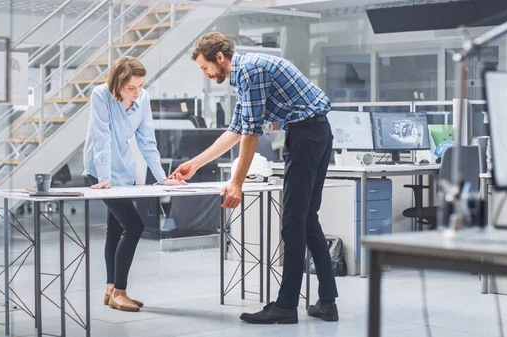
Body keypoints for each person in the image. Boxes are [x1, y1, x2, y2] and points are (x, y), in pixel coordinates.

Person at [170, 32, 339, 324]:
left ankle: (286, 307)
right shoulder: (247, 73)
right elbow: (236, 129)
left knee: (294, 224)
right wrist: (195, 164)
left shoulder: (250, 72)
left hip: (306, 137)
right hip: (317, 133)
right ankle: (327, 302)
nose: (206, 74)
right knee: (308, 219)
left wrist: (236, 182)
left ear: (219, 58)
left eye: (204, 67)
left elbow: (251, 133)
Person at [83, 56, 185, 312]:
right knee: (134, 225)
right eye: (131, 87)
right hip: (100, 173)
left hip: (125, 173)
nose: (137, 91)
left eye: (140, 85)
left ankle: (110, 289)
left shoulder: (143, 98)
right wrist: (105, 179)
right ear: (117, 83)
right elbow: (101, 138)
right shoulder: (101, 95)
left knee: (115, 229)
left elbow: (147, 141)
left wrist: (162, 178)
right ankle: (120, 291)